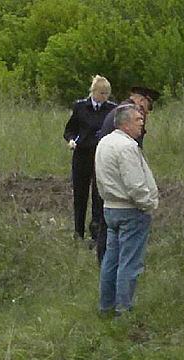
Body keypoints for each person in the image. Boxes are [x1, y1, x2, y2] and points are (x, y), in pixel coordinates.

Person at [95, 104, 159, 316]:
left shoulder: (104, 142)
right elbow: (135, 184)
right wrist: (148, 204)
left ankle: (106, 307)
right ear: (124, 123)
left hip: (110, 209)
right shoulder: (126, 147)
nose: (142, 123)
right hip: (130, 210)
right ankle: (124, 311)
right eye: (137, 119)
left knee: (111, 261)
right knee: (129, 264)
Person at [96, 86, 160, 265]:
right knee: (128, 262)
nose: (144, 117)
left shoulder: (118, 112)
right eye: (147, 106)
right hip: (123, 193)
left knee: (108, 238)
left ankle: (104, 265)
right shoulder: (130, 116)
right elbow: (133, 173)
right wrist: (147, 204)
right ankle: (120, 287)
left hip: (107, 179)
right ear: (142, 100)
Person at [64, 75, 117, 245]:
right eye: (101, 93)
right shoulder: (80, 107)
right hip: (82, 154)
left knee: (98, 194)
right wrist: (71, 140)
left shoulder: (111, 109)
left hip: (101, 155)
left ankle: (96, 232)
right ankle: (78, 232)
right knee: (80, 194)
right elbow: (70, 129)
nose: (104, 97)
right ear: (93, 92)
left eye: (107, 93)